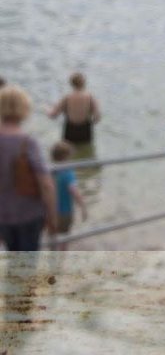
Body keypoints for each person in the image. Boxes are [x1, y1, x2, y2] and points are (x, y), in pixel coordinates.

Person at [0, 85, 57, 251]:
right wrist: (52, 217)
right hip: (29, 215)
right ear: (24, 108)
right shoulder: (27, 142)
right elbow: (46, 184)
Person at [51, 141, 87, 250]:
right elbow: (74, 190)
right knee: (65, 237)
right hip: (65, 212)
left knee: (52, 236)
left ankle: (52, 256)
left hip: (51, 211)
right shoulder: (68, 173)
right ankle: (62, 259)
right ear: (65, 157)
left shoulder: (51, 170)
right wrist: (83, 207)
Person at [48, 72, 101, 146]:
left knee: (69, 154)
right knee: (87, 155)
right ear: (84, 83)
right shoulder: (90, 97)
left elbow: (53, 115)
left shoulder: (67, 98)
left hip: (70, 130)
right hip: (85, 130)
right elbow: (97, 117)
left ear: (71, 84)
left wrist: (46, 109)